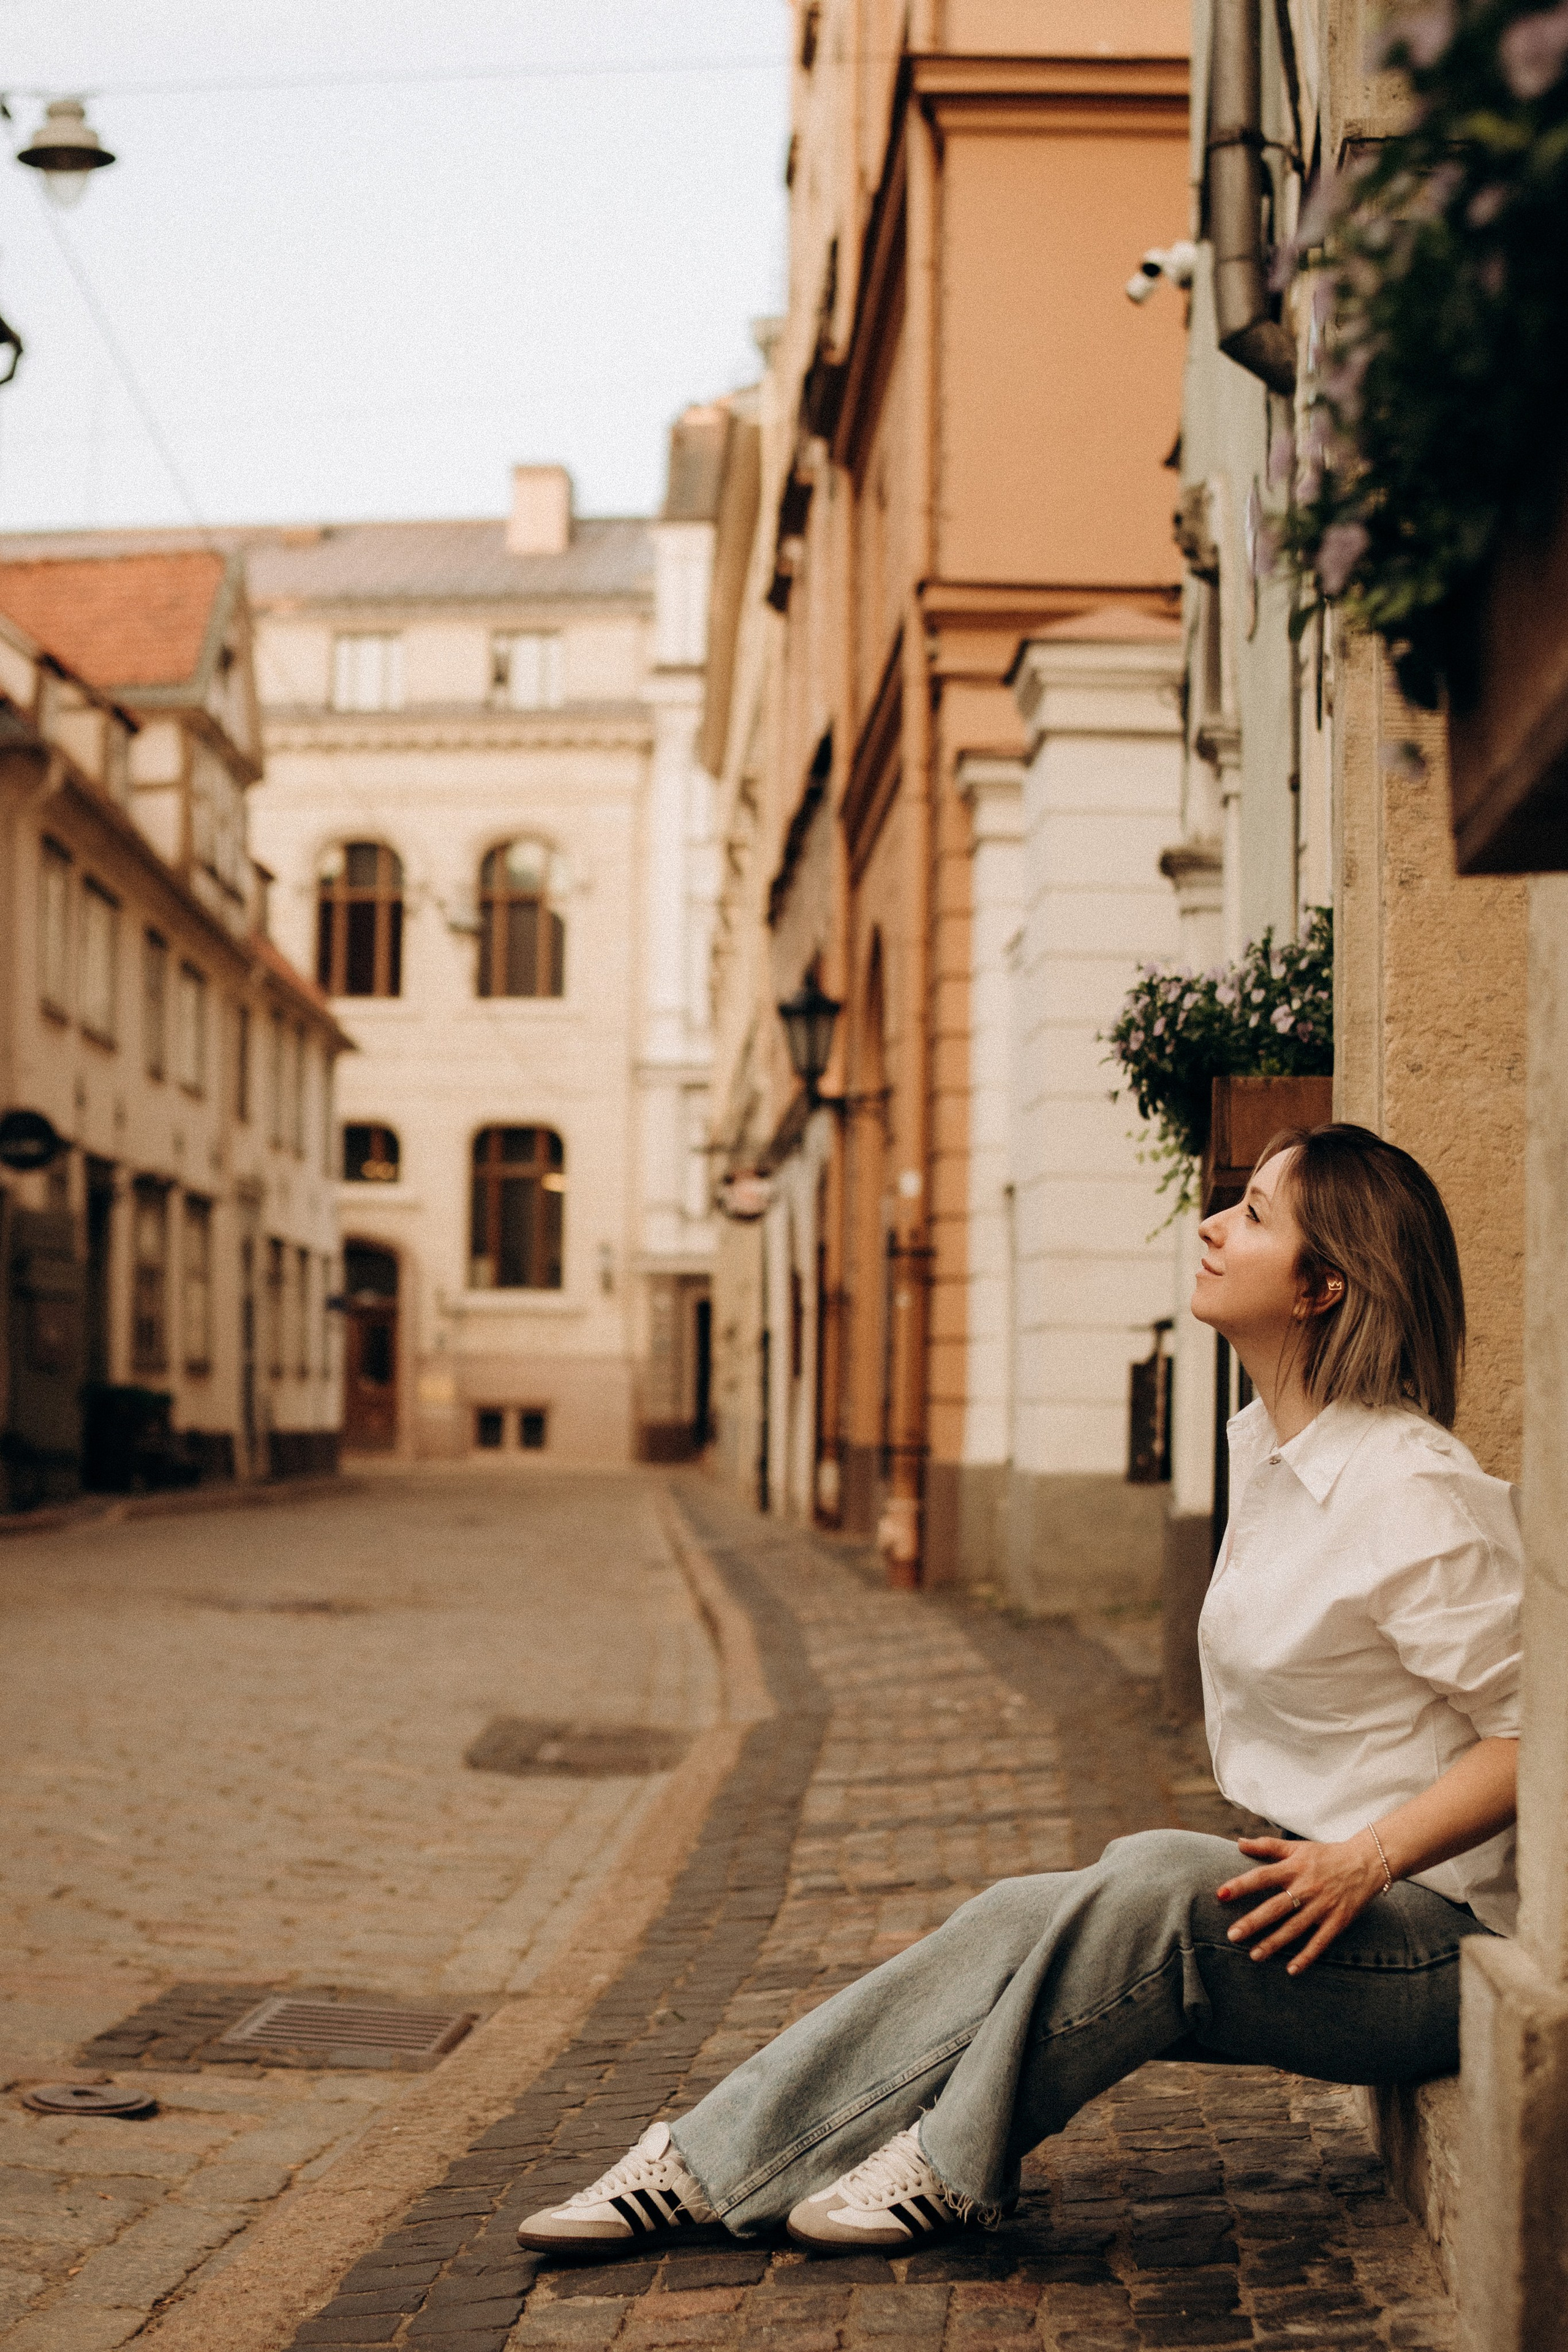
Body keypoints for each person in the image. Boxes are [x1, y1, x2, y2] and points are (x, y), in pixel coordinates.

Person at [518, 1124, 1521, 2256]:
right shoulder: (1275, 1453)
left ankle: (956, 2164)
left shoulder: (1412, 1490)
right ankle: (700, 2162)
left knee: (1151, 1880)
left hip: (1447, 1951)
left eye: (1252, 1215)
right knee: (1014, 1913)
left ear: (1321, 1288)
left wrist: (1366, 1855)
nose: (1210, 1224)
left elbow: (1541, 1736)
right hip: (1323, 1908)